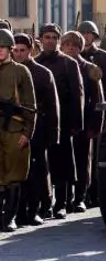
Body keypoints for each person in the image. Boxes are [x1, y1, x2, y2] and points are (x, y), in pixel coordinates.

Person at [34, 23, 84, 219]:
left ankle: (61, 204)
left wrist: (75, 124)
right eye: (47, 37)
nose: (51, 41)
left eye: (55, 37)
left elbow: (77, 96)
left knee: (62, 164)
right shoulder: (35, 63)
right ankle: (44, 203)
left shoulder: (68, 64)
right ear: (40, 39)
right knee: (41, 165)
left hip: (62, 122)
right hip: (40, 122)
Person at [11, 33, 59, 227]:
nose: (19, 54)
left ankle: (34, 210)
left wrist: (53, 133)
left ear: (30, 50)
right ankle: (17, 212)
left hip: (37, 130)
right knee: (15, 174)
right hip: (12, 129)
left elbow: (52, 106)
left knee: (36, 173)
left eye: (22, 50)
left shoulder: (42, 73)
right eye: (15, 50)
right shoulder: (8, 71)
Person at [59, 31, 105, 214]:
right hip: (64, 123)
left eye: (75, 45)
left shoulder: (90, 69)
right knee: (64, 162)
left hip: (85, 124)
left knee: (82, 161)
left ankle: (80, 198)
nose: (71, 48)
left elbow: (97, 99)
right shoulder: (59, 66)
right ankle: (64, 200)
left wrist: (95, 126)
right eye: (67, 44)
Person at [0, 29, 37, 232]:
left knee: (14, 175)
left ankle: (10, 217)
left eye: (3, 48)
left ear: (10, 49)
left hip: (15, 130)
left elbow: (31, 106)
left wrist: (27, 133)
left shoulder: (21, 72)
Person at [77, 21, 106, 207]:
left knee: (96, 156)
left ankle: (94, 193)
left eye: (88, 33)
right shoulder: (76, 55)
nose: (85, 36)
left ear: (94, 35)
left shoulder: (102, 56)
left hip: (98, 112)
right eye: (82, 33)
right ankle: (82, 194)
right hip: (80, 112)